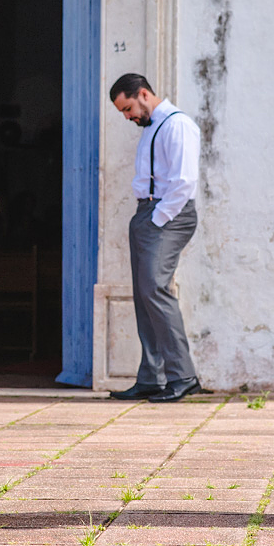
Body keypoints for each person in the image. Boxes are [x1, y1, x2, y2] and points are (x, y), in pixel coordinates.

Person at [107, 73, 202, 403]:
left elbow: (184, 182)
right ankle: (151, 377)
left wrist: (157, 219)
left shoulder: (177, 125)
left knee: (155, 288)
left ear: (144, 94)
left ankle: (183, 376)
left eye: (128, 108)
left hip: (169, 215)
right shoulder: (151, 126)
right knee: (144, 294)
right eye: (122, 112)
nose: (128, 116)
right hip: (147, 214)